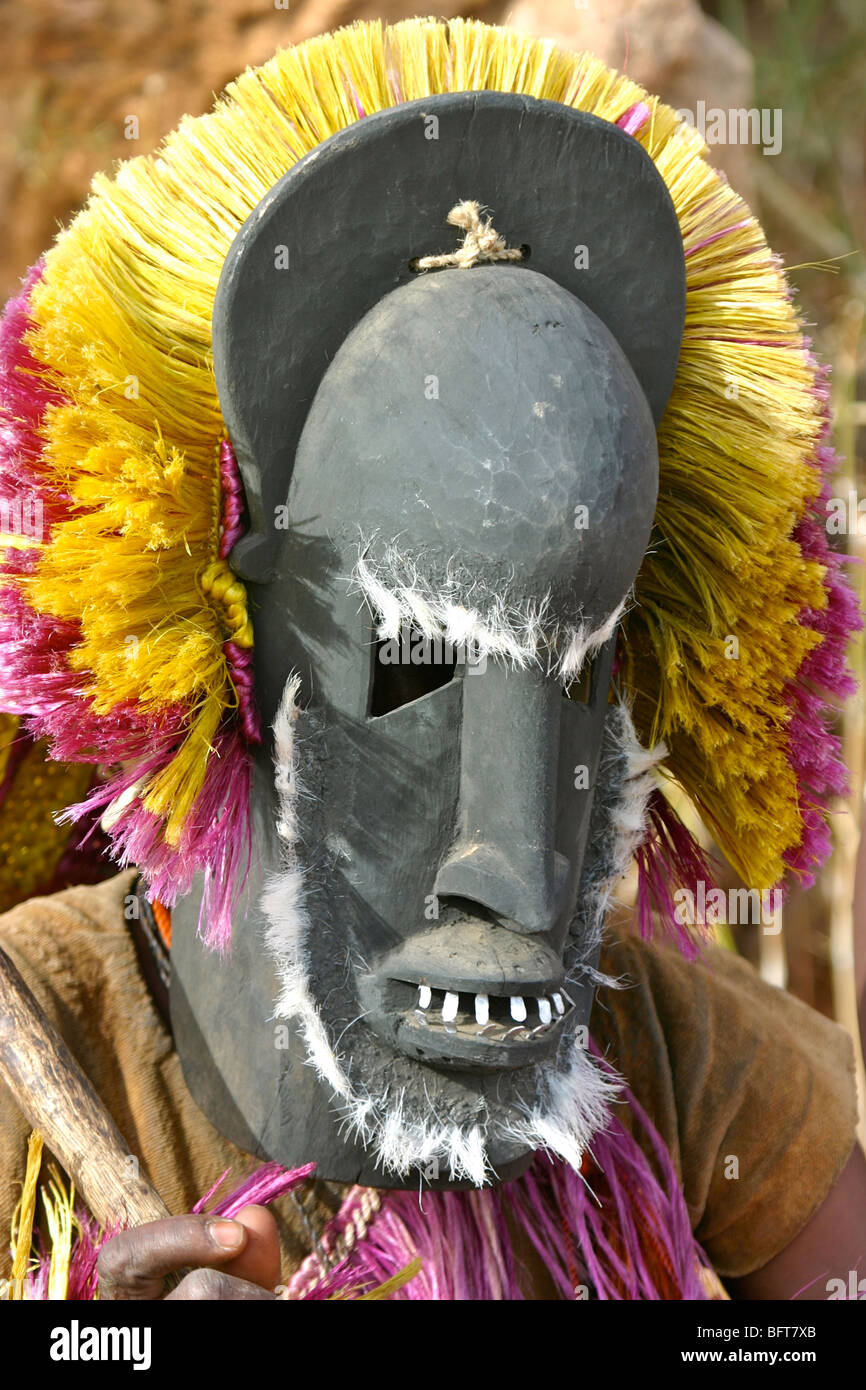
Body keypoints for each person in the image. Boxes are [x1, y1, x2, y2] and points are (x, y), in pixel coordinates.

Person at [0, 17, 863, 1300]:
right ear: (238, 665)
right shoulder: (47, 1027)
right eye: (411, 667)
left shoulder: (673, 1053)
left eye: (576, 680)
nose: (512, 874)